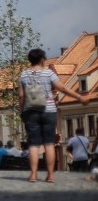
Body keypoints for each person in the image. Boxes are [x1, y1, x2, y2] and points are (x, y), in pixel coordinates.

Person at [18, 48, 89, 183]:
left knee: (33, 145)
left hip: (31, 111)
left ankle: (33, 175)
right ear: (42, 60)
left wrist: (23, 112)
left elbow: (21, 97)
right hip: (48, 110)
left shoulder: (23, 75)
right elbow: (62, 88)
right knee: (49, 144)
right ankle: (50, 175)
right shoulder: (49, 73)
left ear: (30, 60)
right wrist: (79, 97)